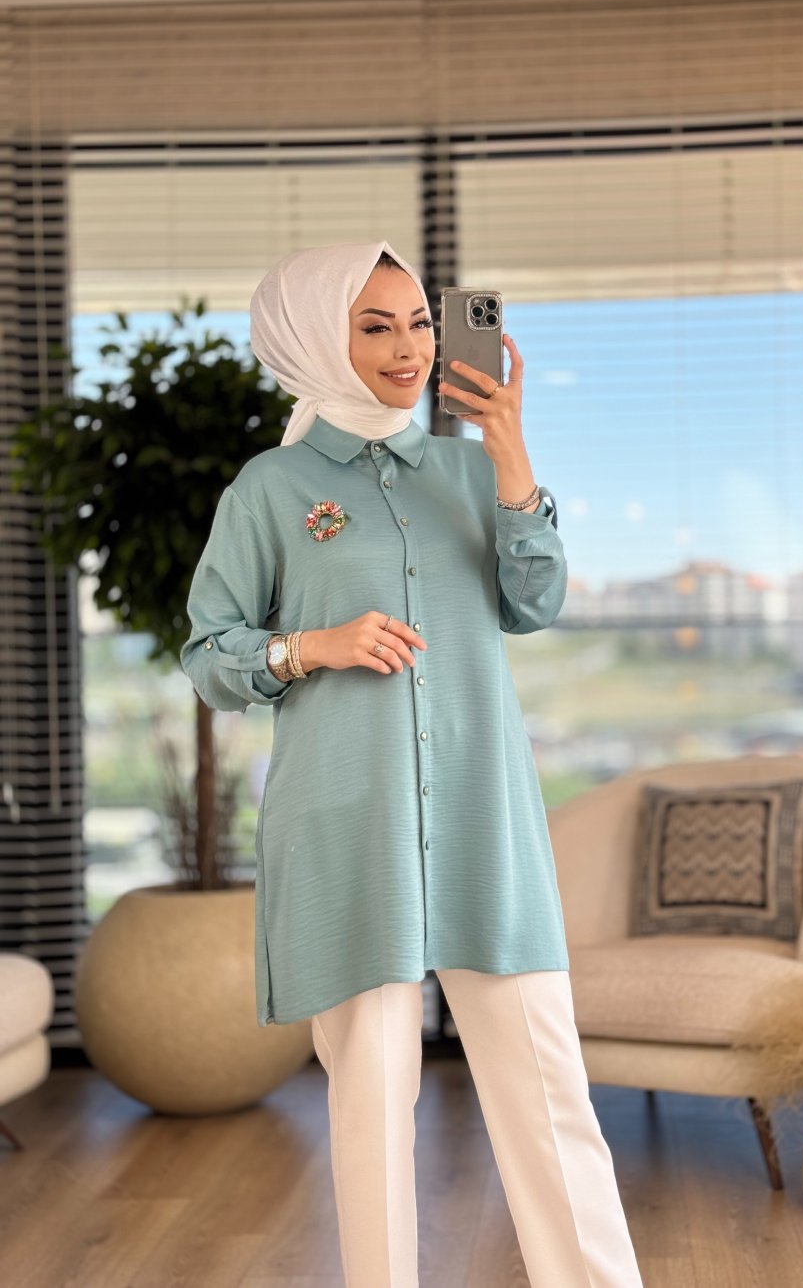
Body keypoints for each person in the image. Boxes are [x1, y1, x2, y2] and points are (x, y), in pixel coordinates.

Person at [180, 240, 644, 1288]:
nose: (409, 348)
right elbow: (210, 655)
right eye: (375, 326)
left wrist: (510, 454)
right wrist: (315, 644)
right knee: (373, 1105)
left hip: (484, 816)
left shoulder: (472, 471)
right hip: (350, 822)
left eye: (421, 323)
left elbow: (535, 604)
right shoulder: (271, 487)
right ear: (317, 339)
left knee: (549, 1093)